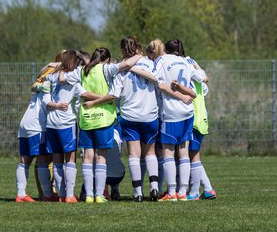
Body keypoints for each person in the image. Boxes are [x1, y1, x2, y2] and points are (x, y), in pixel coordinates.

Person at [60, 47, 142, 203]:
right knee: (101, 158)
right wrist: (138, 54)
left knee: (87, 157)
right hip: (104, 118)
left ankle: (89, 195)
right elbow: (126, 64)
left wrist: (59, 65)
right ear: (106, 59)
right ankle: (99, 195)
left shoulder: (82, 70)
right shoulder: (106, 68)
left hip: (86, 119)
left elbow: (62, 79)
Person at [84, 37, 160, 202]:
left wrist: (96, 101)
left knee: (134, 153)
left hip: (130, 115)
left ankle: (138, 192)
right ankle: (154, 188)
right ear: (138, 47)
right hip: (150, 114)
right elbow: (158, 81)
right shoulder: (149, 62)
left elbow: (115, 94)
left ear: (122, 49)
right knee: (150, 152)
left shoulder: (119, 70)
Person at [146, 39, 206, 202]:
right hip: (188, 112)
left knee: (168, 153)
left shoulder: (162, 61)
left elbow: (159, 83)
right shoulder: (185, 62)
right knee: (184, 153)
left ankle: (171, 192)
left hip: (171, 113)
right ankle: (182, 192)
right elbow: (201, 77)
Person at [44, 50, 102, 203]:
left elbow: (45, 92)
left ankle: (62, 195)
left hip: (51, 123)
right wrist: (104, 97)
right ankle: (70, 195)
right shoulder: (74, 79)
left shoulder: (51, 77)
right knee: (70, 159)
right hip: (66, 123)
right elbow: (85, 93)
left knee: (56, 159)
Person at [167, 40, 216, 200]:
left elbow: (196, 89)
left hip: (192, 117)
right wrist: (196, 65)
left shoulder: (181, 69)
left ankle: (195, 192)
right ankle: (207, 189)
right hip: (201, 117)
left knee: (192, 156)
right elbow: (205, 81)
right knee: (189, 155)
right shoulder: (191, 66)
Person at [15, 51, 65, 202]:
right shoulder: (52, 84)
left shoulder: (41, 82)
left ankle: (21, 193)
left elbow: (35, 84)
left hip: (25, 123)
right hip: (37, 125)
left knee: (25, 160)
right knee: (43, 159)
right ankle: (48, 195)